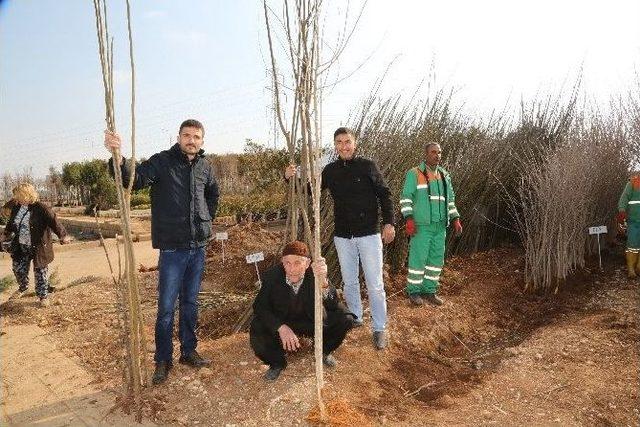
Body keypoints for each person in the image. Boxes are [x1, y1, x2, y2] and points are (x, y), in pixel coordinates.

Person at [105, 119, 220, 385]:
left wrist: (206, 217)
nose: (192, 140)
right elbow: (131, 178)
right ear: (179, 137)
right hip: (173, 249)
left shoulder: (205, 166)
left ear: (202, 140)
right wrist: (117, 156)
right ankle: (163, 359)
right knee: (167, 307)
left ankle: (188, 351)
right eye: (187, 135)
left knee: (191, 303)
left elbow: (214, 193)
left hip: (198, 247)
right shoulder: (163, 162)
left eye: (196, 136)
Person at [284, 127, 395, 350]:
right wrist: (290, 178)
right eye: (339, 142)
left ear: (354, 143)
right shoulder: (331, 170)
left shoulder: (367, 166)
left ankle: (379, 328)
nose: (344, 146)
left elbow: (384, 193)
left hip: (369, 234)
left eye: (347, 142)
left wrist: (389, 223)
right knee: (350, 281)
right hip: (343, 236)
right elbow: (310, 190)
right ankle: (355, 316)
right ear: (335, 145)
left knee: (374, 284)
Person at [250, 241, 353, 381]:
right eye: (287, 263)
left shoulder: (316, 273)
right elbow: (259, 306)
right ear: (282, 262)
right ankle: (276, 363)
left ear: (307, 262)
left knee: (345, 318)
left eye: (298, 263)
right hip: (284, 320)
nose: (292, 269)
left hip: (311, 320)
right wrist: (280, 327)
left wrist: (323, 282)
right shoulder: (272, 276)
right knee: (257, 326)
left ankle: (324, 351)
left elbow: (332, 303)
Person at [400, 142, 462, 306]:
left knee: (436, 260)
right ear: (426, 154)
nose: (437, 155)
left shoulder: (444, 175)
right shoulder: (414, 173)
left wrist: (455, 218)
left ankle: (429, 291)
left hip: (440, 226)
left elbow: (450, 201)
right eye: (433, 152)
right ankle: (413, 292)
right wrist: (409, 218)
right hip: (421, 225)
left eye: (439, 152)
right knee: (418, 259)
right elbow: (406, 198)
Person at [1, 183, 69, 307]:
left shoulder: (41, 208)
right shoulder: (17, 207)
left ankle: (43, 296)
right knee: (18, 269)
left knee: (40, 271)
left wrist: (63, 236)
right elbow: (11, 223)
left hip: (38, 246)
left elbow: (54, 222)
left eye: (18, 195)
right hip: (21, 246)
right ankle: (23, 287)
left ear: (26, 195)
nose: (16, 198)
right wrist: (5, 234)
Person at [617, 169, 640, 278]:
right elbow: (624, 198)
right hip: (634, 221)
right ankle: (631, 269)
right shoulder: (632, 183)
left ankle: (639, 267)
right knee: (632, 244)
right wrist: (622, 210)